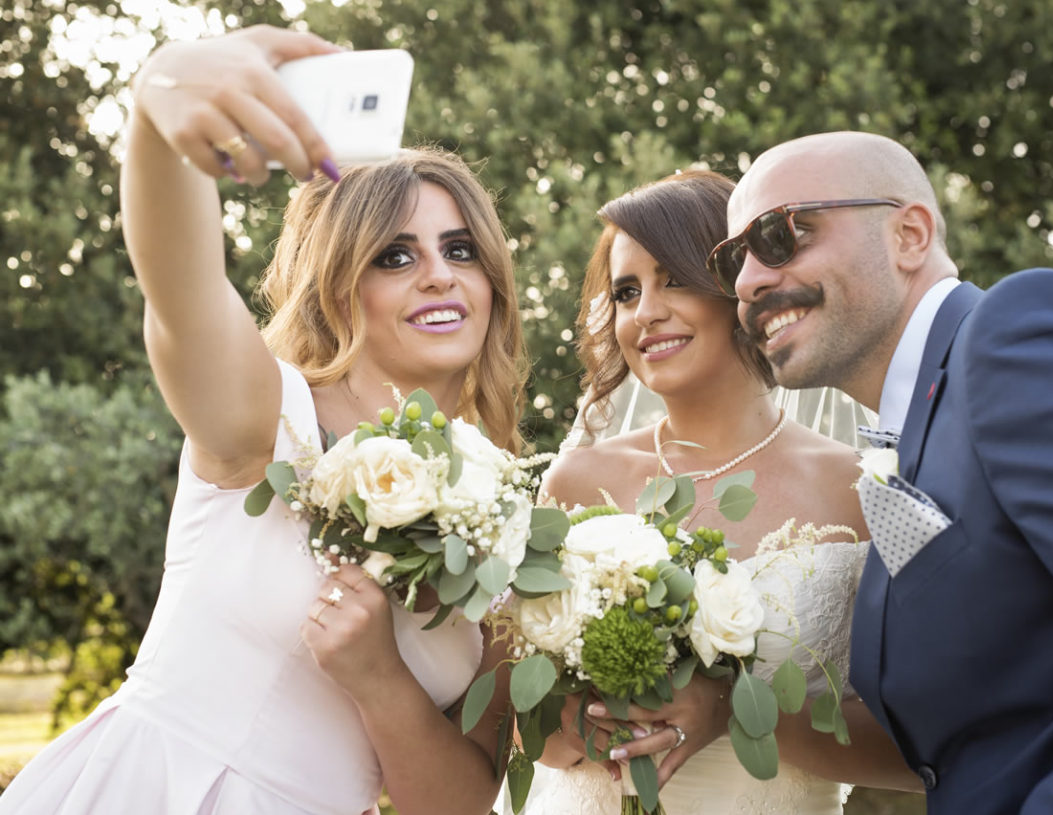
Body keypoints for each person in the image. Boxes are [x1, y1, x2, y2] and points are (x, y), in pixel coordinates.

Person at [0, 26, 523, 815]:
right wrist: (159, 97)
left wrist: (380, 680)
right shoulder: (267, 418)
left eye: (460, 249)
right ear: (339, 282)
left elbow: (458, 804)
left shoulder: (511, 523)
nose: (440, 275)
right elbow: (181, 288)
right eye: (395, 255)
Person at [722, 130, 1053, 814]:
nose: (749, 280)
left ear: (908, 235)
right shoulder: (899, 447)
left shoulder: (1015, 331)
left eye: (782, 235)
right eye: (733, 260)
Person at [523, 170, 920, 815]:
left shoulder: (861, 489)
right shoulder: (576, 481)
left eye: (672, 279)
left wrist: (738, 710)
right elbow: (522, 729)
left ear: (743, 284)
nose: (644, 312)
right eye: (625, 292)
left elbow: (927, 745)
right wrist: (583, 723)